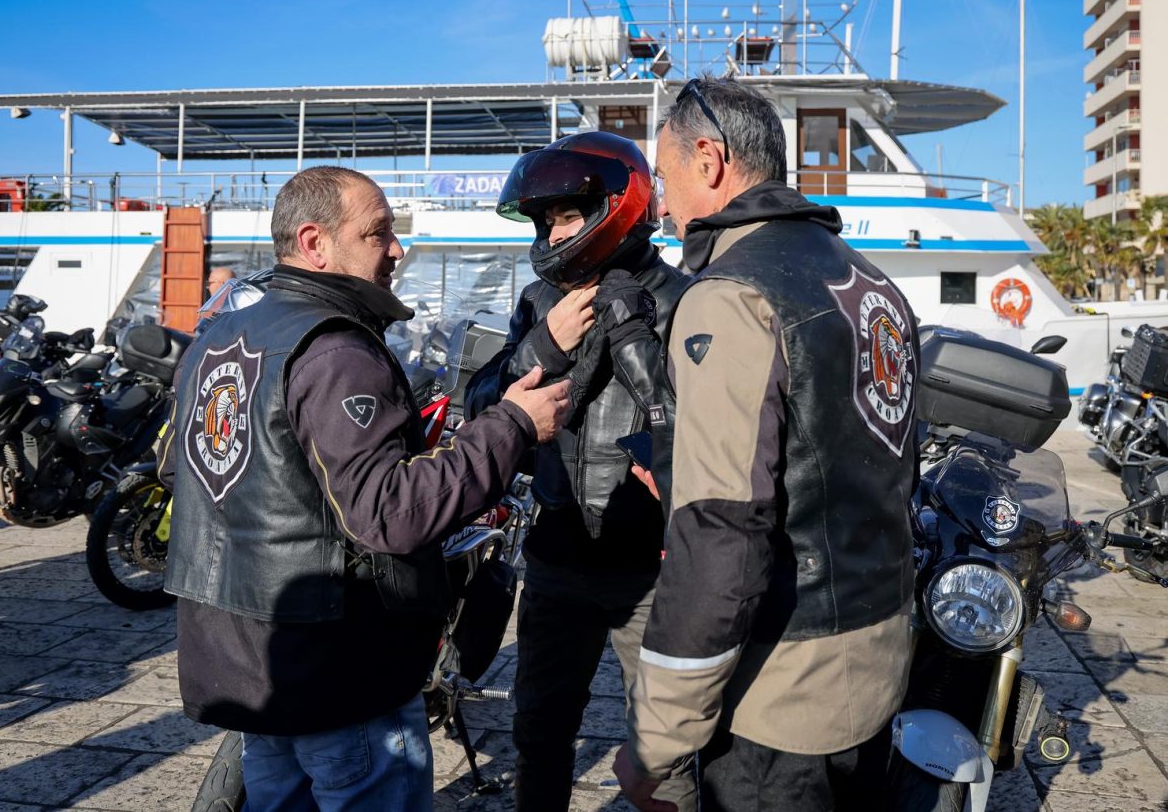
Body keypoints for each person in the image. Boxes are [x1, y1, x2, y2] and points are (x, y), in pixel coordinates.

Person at [158, 166, 571, 811]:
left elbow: (186, 469)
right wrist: (513, 424)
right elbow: (391, 514)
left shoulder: (217, 337)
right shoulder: (333, 350)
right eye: (378, 233)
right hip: (333, 666)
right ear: (316, 242)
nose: (397, 250)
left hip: (248, 655)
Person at [612, 77, 918, 812]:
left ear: (709, 160)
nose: (659, 203)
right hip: (877, 659)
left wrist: (660, 738)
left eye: (665, 174)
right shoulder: (869, 281)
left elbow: (721, 531)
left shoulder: (730, 295)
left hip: (779, 697)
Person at [465, 131, 696, 811]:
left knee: (666, 750)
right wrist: (544, 345)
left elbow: (708, 431)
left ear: (616, 206)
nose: (555, 230)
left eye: (568, 214)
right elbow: (481, 404)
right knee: (538, 730)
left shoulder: (685, 299)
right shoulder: (540, 300)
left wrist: (637, 351)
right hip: (557, 558)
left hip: (652, 567)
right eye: (546, 219)